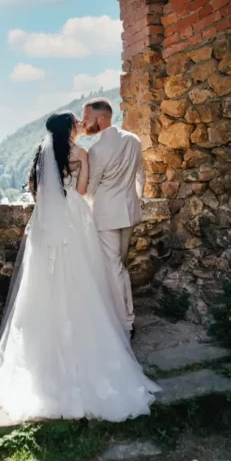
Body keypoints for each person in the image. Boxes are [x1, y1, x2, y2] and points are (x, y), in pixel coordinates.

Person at [0, 112, 160, 423]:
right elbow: (81, 191)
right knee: (83, 280)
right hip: (74, 219)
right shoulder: (80, 153)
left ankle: (43, 354)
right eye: (77, 124)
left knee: (44, 284)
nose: (81, 126)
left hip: (46, 223)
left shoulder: (42, 152)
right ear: (69, 128)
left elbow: (35, 189)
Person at [83, 98, 145, 339]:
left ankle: (126, 324)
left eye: (87, 118)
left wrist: (82, 210)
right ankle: (124, 317)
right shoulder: (134, 140)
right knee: (120, 266)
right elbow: (141, 176)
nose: (85, 123)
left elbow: (91, 187)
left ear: (101, 118)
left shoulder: (97, 150)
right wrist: (135, 201)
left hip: (106, 216)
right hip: (129, 212)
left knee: (114, 269)